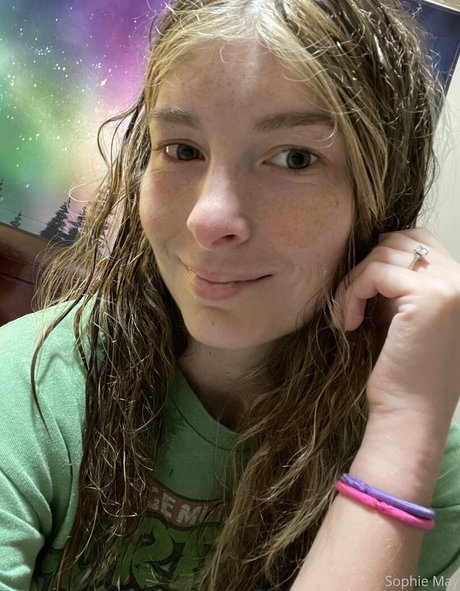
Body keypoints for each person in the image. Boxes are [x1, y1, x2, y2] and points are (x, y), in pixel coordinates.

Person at [1, 0, 459, 589]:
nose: (207, 219)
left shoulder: (422, 449)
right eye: (182, 150)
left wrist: (402, 436)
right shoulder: (33, 387)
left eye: (295, 158)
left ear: (382, 196)